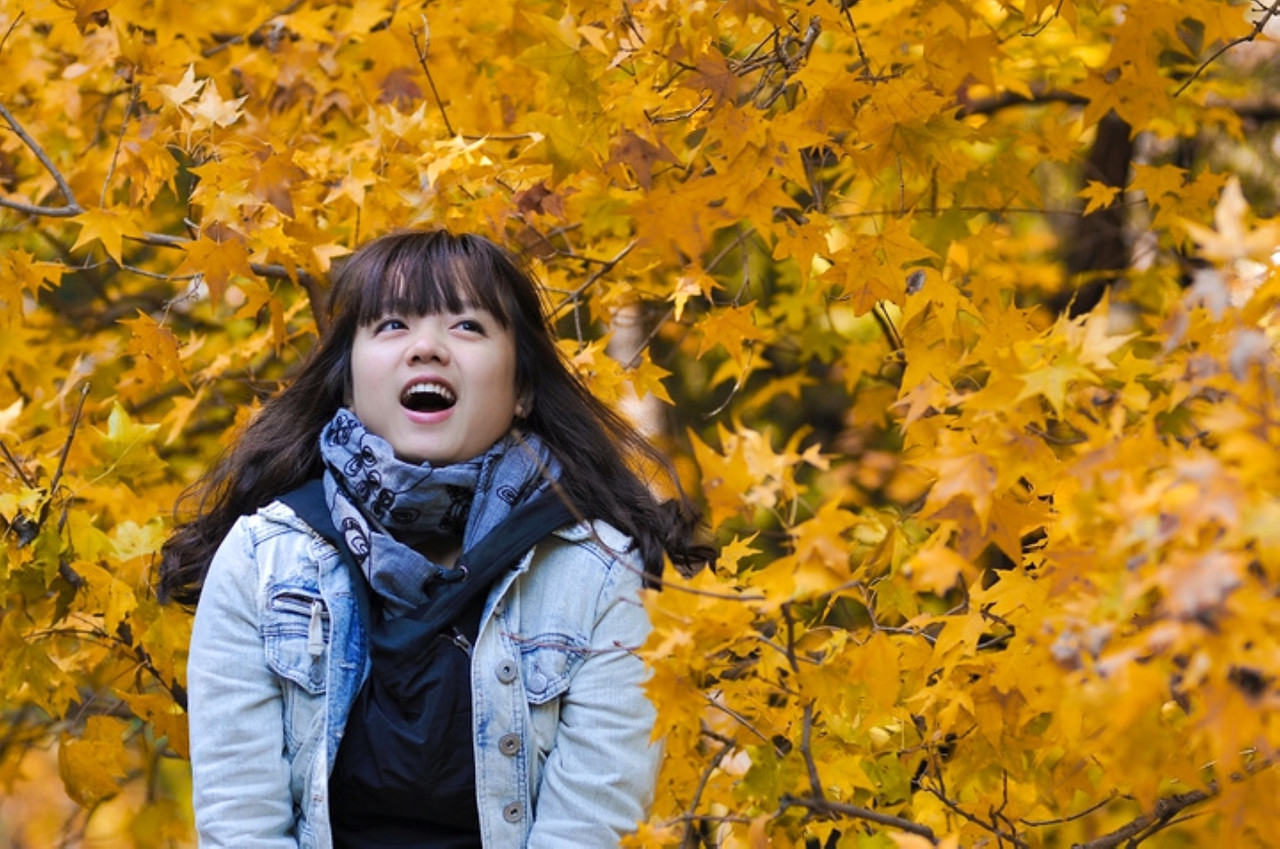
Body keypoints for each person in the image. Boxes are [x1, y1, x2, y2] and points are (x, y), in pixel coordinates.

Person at [158, 230, 709, 848]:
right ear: (347, 383)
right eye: (392, 324)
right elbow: (242, 829)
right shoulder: (263, 560)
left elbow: (588, 830)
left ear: (523, 389)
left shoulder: (601, 572)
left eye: (468, 326)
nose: (427, 347)